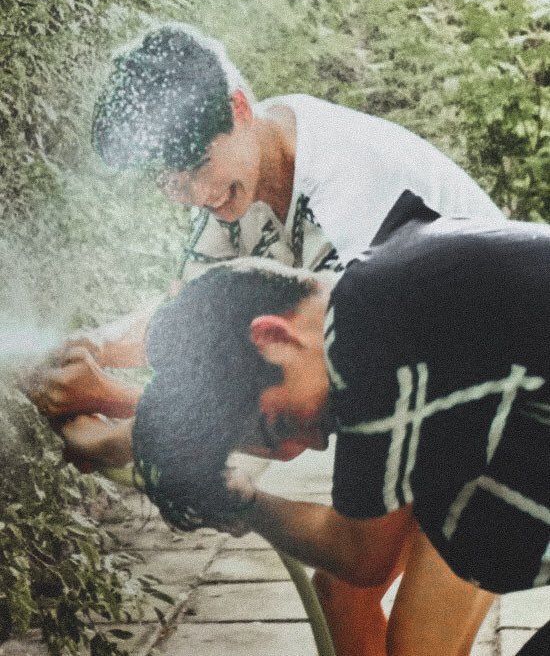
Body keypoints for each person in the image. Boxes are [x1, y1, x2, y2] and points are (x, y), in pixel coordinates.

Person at [29, 24, 505, 656]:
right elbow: (203, 318)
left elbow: (294, 413)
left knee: (408, 629)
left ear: (238, 108)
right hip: (428, 396)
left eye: (200, 167)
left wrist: (116, 416)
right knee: (342, 592)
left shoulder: (352, 196)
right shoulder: (249, 169)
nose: (197, 195)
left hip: (498, 406)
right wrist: (90, 347)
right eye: (172, 182)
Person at [63, 194, 550, 653]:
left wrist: (240, 499)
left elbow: (361, 556)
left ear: (273, 337)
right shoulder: (391, 291)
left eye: (276, 427)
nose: (302, 450)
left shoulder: (365, 328)